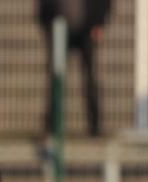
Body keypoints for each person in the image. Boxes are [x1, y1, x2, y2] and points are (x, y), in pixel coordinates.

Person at [38, 0, 112, 137]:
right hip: (59, 29)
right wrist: (47, 24)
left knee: (90, 78)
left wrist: (99, 23)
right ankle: (52, 124)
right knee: (56, 77)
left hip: (87, 29)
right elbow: (44, 5)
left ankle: (95, 125)